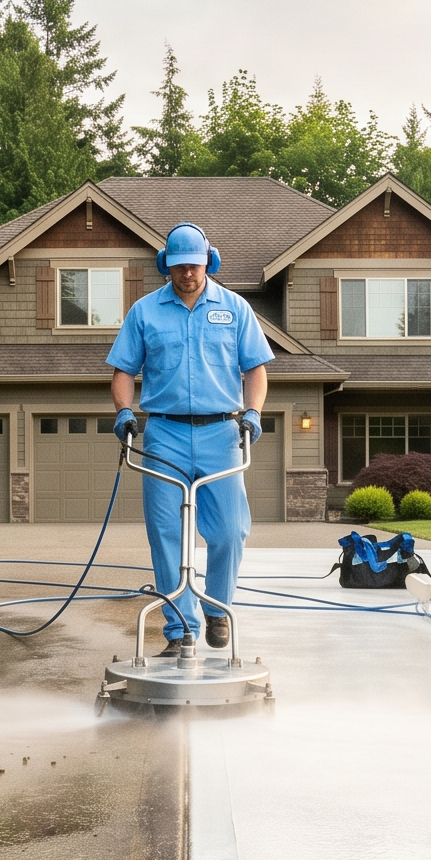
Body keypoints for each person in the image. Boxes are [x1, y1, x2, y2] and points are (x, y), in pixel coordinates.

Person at [108, 223, 272, 658]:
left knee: (230, 530)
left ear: (207, 263)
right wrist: (125, 410)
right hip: (164, 432)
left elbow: (255, 368)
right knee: (165, 532)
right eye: (179, 266)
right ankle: (181, 629)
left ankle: (218, 607)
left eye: (194, 266)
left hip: (222, 431)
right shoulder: (145, 312)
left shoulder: (235, 309)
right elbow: (123, 370)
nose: (187, 274)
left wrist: (252, 412)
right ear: (168, 266)